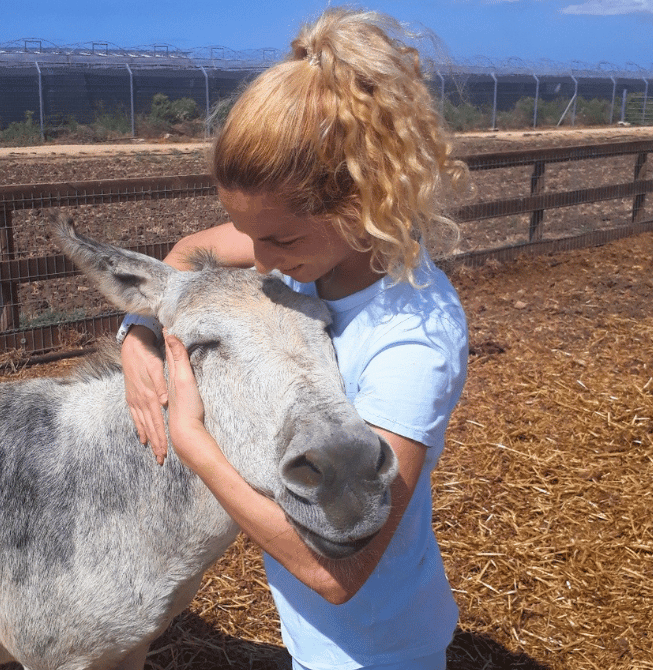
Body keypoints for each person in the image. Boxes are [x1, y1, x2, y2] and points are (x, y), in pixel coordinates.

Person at [118, 7, 469, 669]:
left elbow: (341, 571)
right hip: (313, 635)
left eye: (278, 239)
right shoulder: (318, 254)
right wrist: (136, 332)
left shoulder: (412, 342)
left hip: (375, 646)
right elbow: (191, 252)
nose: (259, 257)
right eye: (250, 234)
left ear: (363, 206)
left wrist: (195, 445)